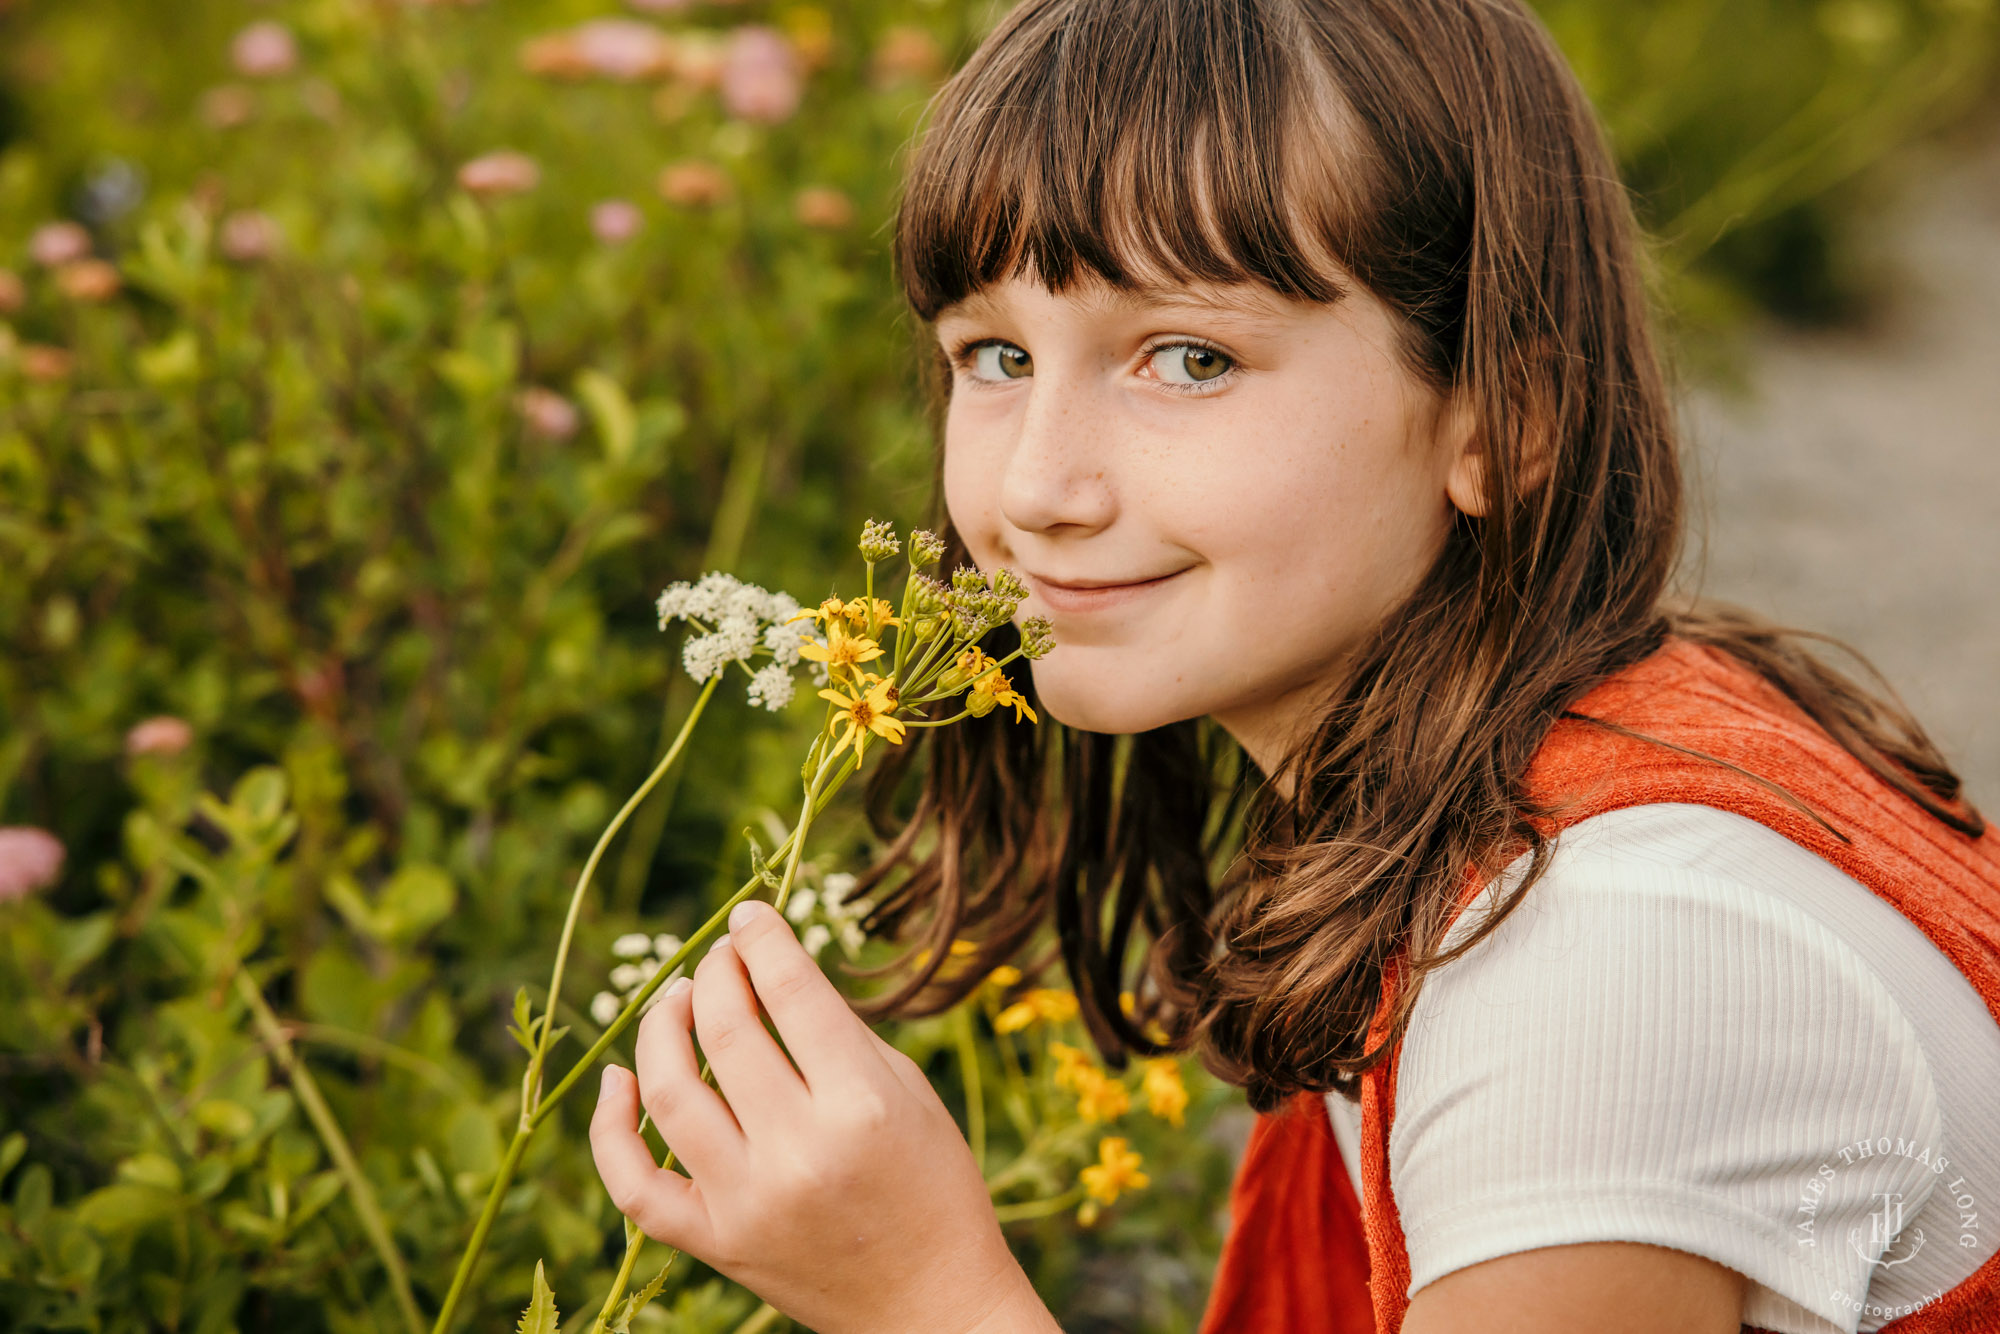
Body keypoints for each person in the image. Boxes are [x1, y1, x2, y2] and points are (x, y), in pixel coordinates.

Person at [588, 1, 2000, 1330]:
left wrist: (927, 1293)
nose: (1036, 490)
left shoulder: (1607, 959)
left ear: (1503, 419)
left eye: (1190, 358)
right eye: (997, 353)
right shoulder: (1527, 771)